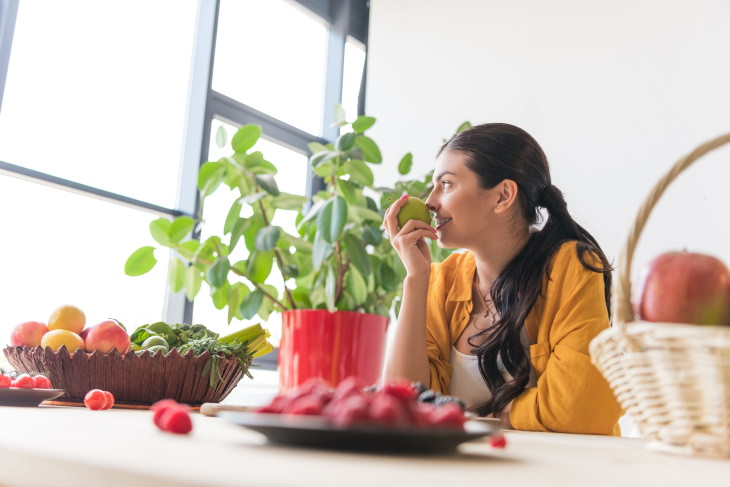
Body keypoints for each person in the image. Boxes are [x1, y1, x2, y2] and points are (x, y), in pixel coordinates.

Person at [382, 123, 623, 435]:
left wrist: (502, 412)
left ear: (503, 195)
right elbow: (402, 404)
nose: (430, 201)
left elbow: (579, 409)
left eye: (446, 184)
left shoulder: (570, 266)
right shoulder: (441, 281)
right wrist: (415, 279)